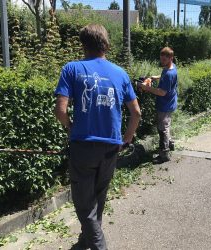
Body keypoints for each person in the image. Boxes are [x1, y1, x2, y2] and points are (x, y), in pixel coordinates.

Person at [54, 24, 141, 250]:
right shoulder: (120, 73)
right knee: (97, 200)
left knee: (84, 205)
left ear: (83, 44)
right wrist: (127, 139)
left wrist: (70, 128)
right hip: (111, 147)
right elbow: (137, 113)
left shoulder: (72, 69)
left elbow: (60, 110)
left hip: (83, 147)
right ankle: (85, 241)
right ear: (106, 44)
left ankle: (98, 246)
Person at [139, 47, 178, 164]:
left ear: (171, 58)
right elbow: (164, 75)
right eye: (161, 59)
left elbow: (161, 92)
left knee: (162, 129)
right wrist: (154, 77)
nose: (163, 61)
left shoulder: (169, 74)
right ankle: (170, 143)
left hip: (165, 104)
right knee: (166, 125)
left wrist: (146, 87)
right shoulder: (172, 67)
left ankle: (164, 154)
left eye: (165, 59)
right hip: (171, 102)